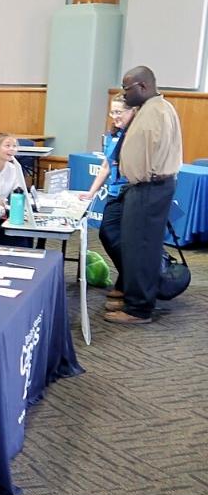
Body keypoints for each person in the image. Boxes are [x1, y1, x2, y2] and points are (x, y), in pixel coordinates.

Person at [106, 65, 183, 325]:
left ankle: (138, 309)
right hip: (148, 187)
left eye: (127, 89)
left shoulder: (155, 112)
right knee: (136, 245)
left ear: (143, 86)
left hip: (149, 188)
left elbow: (149, 157)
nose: (123, 94)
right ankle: (134, 296)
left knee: (141, 249)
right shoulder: (155, 108)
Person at [80, 97, 136, 307]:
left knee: (116, 235)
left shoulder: (135, 135)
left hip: (129, 193)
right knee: (108, 234)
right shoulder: (114, 135)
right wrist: (91, 192)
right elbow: (106, 166)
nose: (115, 117)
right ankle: (127, 278)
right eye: (113, 113)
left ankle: (128, 282)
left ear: (132, 112)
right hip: (114, 192)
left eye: (120, 112)